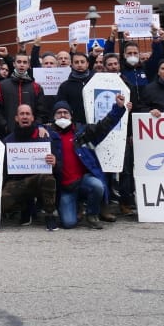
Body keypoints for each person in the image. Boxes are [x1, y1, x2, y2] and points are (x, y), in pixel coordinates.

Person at [46, 96, 127, 229]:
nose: (62, 115)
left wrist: (118, 109)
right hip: (64, 186)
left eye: (65, 112)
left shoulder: (83, 132)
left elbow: (104, 126)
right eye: (59, 113)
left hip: (83, 180)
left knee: (98, 185)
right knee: (68, 223)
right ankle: (77, 206)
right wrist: (40, 128)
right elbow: (30, 129)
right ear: (53, 116)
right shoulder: (47, 135)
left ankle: (92, 214)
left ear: (71, 115)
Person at [1, 103, 58, 228]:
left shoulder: (43, 137)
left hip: (38, 180)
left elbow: (57, 164)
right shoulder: (8, 141)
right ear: (16, 118)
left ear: (32, 118)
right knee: (2, 203)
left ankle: (49, 214)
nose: (25, 116)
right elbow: (3, 170)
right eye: (22, 114)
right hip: (18, 182)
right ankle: (25, 207)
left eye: (28, 114)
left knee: (49, 179)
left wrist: (55, 162)